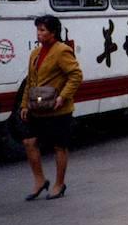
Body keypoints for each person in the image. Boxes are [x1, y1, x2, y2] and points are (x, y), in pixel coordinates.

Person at [20, 15, 83, 201]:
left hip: (58, 109)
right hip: (37, 107)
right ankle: (39, 180)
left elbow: (76, 75)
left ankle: (59, 184)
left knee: (59, 146)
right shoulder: (35, 53)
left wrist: (63, 96)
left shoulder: (62, 51)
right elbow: (30, 81)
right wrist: (24, 105)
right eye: (38, 30)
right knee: (29, 142)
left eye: (42, 30)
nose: (38, 34)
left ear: (53, 32)